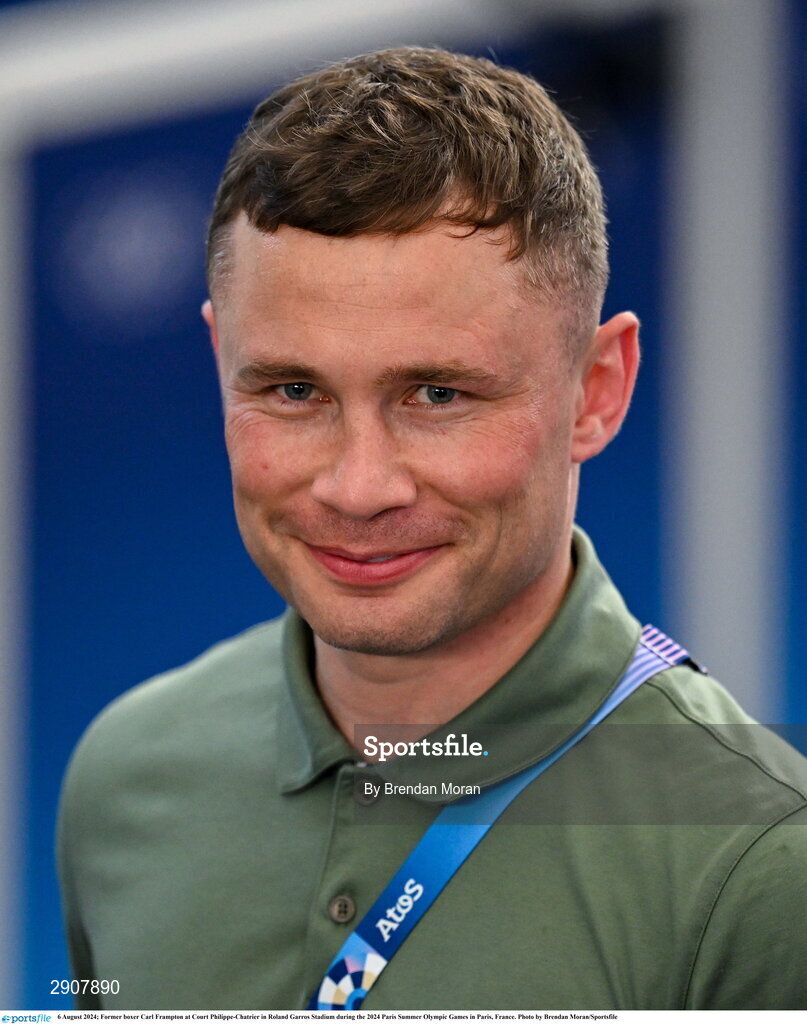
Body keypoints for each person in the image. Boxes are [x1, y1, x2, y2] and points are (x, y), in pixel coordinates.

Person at [58, 47, 807, 1011]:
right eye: (293, 390)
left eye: (438, 393)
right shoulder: (125, 775)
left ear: (597, 390)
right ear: (218, 358)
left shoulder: (765, 865)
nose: (358, 486)